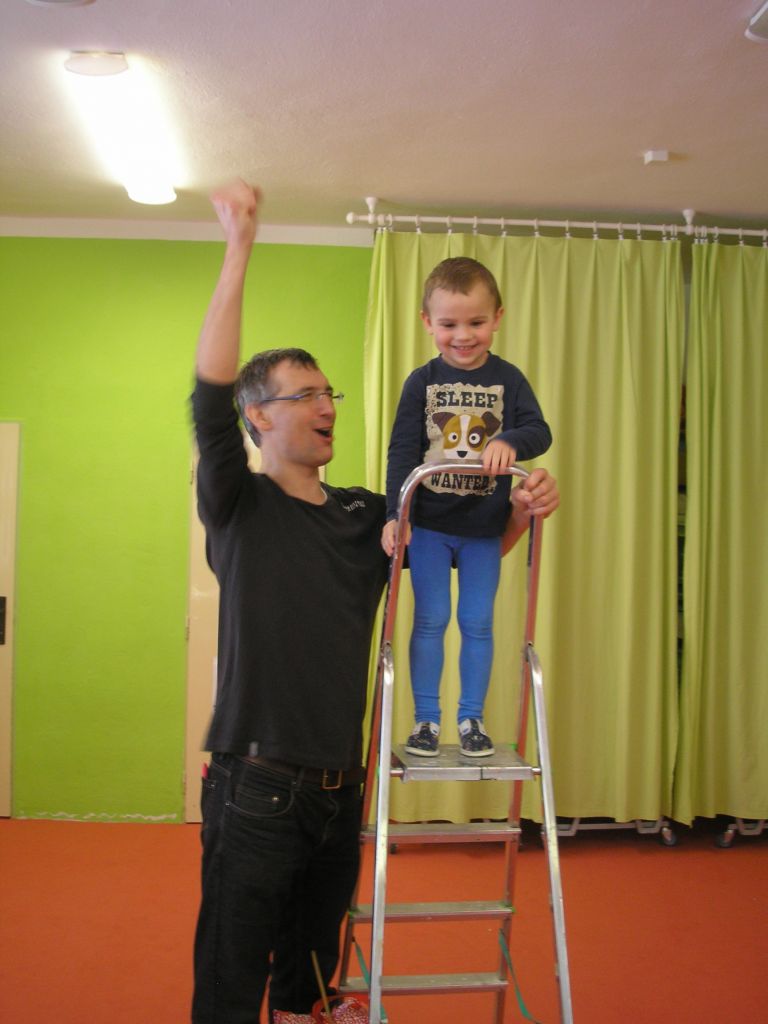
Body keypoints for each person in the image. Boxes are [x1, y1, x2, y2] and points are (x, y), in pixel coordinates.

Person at [191, 181, 560, 1023]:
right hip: (255, 780)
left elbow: (452, 556)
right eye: (304, 396)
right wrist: (238, 248)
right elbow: (208, 398)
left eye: (331, 394)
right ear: (257, 418)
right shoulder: (239, 504)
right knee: (232, 974)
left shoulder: (369, 515)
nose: (327, 407)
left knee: (310, 973)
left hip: (340, 783)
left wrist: (522, 511)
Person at [382, 257, 552, 759]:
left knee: (477, 622)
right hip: (430, 526)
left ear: (497, 317)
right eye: (449, 324)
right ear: (427, 322)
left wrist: (511, 440)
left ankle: (471, 718)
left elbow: (539, 431)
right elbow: (402, 452)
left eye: (476, 322)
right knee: (431, 619)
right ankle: (426, 721)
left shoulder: (509, 379)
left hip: (483, 527)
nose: (463, 336)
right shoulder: (421, 381)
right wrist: (396, 514)